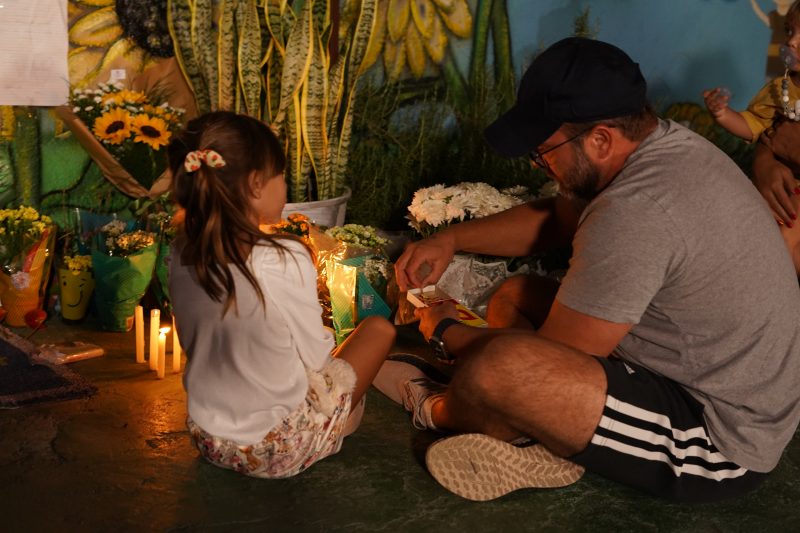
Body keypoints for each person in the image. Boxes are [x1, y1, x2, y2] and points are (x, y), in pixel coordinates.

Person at [378, 37, 800, 503]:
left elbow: (549, 356)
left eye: (544, 151)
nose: (540, 162)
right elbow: (558, 219)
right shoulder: (656, 142)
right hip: (679, 363)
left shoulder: (638, 210)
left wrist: (445, 332)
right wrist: (450, 238)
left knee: (500, 370)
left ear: (600, 139)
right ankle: (535, 436)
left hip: (715, 435)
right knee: (515, 294)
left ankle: (436, 407)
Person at [167, 111, 395, 478]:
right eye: (281, 176)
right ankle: (335, 431)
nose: (284, 185)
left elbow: (196, 341)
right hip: (279, 449)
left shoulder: (180, 251)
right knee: (378, 332)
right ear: (256, 184)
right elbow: (317, 357)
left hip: (209, 438)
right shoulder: (283, 256)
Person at [704, 1, 800, 228]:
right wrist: (723, 114)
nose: (791, 41)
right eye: (790, 31)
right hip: (784, 194)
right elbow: (754, 124)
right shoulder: (780, 89)